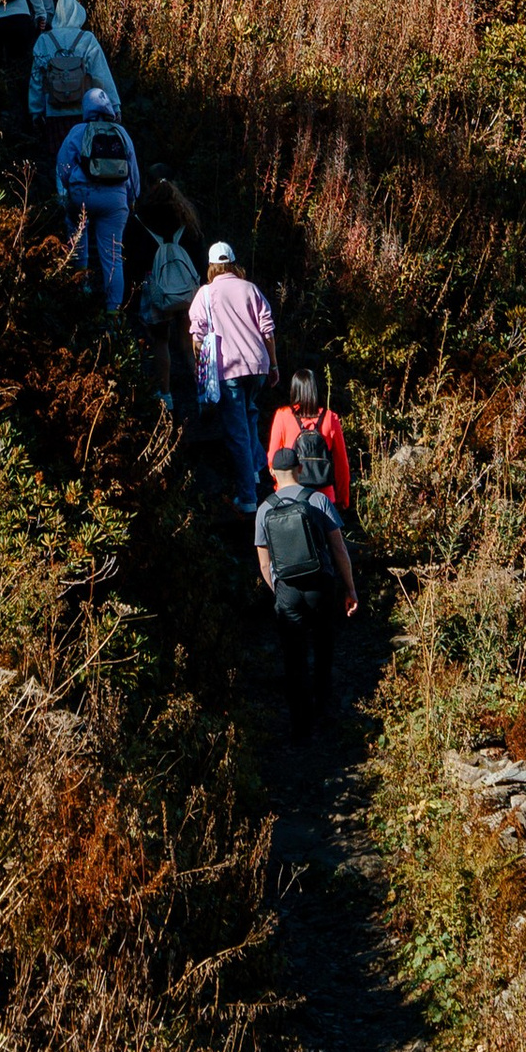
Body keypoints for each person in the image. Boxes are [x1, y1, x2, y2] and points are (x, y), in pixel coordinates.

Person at [256, 432, 358, 740]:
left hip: (287, 589)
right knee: (323, 647)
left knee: (293, 656)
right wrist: (350, 589)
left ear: (272, 472)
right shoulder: (318, 500)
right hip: (321, 586)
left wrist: (280, 590)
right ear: (300, 469)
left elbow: (263, 562)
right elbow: (339, 549)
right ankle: (325, 711)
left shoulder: (264, 509)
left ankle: (300, 726)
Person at [185, 240, 276, 514]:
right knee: (249, 418)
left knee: (237, 433)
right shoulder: (250, 288)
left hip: (230, 369)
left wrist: (201, 367)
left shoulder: (205, 294)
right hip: (257, 366)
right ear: (233, 262)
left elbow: (197, 337)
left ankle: (248, 499)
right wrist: (274, 365)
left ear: (212, 266)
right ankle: (258, 473)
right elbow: (268, 329)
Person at [130, 166, 207, 403]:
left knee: (160, 342)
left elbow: (134, 256)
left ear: (148, 183)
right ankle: (202, 390)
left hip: (156, 289)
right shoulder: (186, 214)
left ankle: (165, 394)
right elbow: (198, 249)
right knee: (189, 339)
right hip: (186, 290)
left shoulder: (141, 216)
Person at [55, 88, 138, 306]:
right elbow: (133, 174)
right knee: (113, 258)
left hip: (83, 195)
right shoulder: (122, 134)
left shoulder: (78, 131)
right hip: (115, 201)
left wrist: (71, 186)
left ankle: (82, 293)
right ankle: (113, 316)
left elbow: (62, 165)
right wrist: (130, 198)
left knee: (78, 244)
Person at [265, 370, 353, 519]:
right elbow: (341, 464)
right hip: (324, 497)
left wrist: (278, 486)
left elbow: (273, 459)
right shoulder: (330, 417)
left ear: (294, 389)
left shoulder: (283, 415)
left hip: (290, 495)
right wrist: (343, 499)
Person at [28, 0, 120, 124]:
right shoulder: (87, 38)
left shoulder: (44, 39)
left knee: (58, 146)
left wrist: (35, 110)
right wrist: (114, 106)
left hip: (53, 111)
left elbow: (36, 78)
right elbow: (100, 73)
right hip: (84, 111)